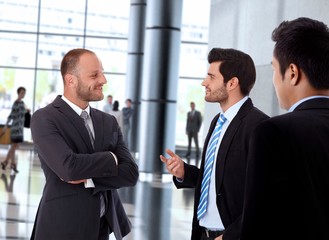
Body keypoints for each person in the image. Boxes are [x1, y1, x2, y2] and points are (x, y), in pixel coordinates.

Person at [30, 48, 139, 240]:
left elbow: (130, 173)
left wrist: (88, 178)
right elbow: (69, 168)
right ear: (70, 80)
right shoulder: (45, 118)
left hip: (101, 228)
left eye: (102, 72)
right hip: (62, 227)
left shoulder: (108, 121)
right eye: (94, 75)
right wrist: (111, 159)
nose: (103, 80)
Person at [160, 48, 269, 240]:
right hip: (203, 233)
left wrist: (230, 237)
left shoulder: (259, 127)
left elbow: (266, 198)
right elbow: (217, 181)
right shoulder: (218, 122)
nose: (204, 82)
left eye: (211, 77)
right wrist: (184, 172)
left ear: (232, 83)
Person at [240, 17, 329, 240]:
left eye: (273, 69)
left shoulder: (273, 133)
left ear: (292, 72)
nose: (273, 80)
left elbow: (256, 227)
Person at [0, 86, 29, 174]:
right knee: (14, 146)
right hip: (15, 128)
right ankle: (6, 162)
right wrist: (5, 126)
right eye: (21, 92)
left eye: (24, 93)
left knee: (14, 146)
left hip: (20, 129)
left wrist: (27, 111)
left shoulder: (22, 103)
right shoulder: (16, 103)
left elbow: (22, 114)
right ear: (18, 93)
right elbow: (11, 115)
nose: (23, 94)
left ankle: (12, 163)